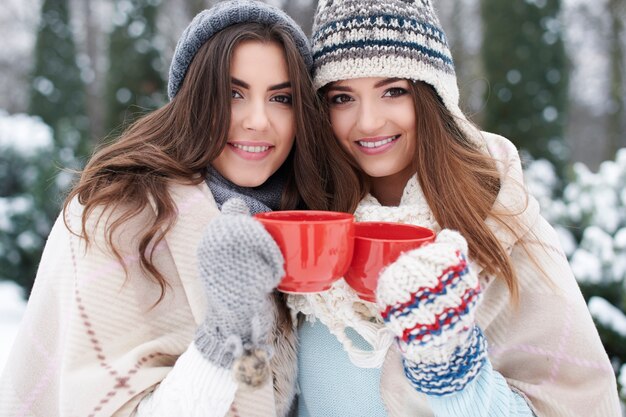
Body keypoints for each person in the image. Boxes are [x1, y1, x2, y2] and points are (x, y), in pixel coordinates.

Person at [0, 1, 359, 416]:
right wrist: (224, 336)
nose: (259, 120)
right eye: (233, 93)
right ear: (193, 99)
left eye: (281, 98)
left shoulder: (303, 218)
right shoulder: (117, 218)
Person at [288, 0, 622, 416]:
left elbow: (580, 407)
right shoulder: (309, 217)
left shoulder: (499, 223)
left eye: (394, 91)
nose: (368, 122)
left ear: (433, 96)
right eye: (343, 97)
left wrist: (453, 374)